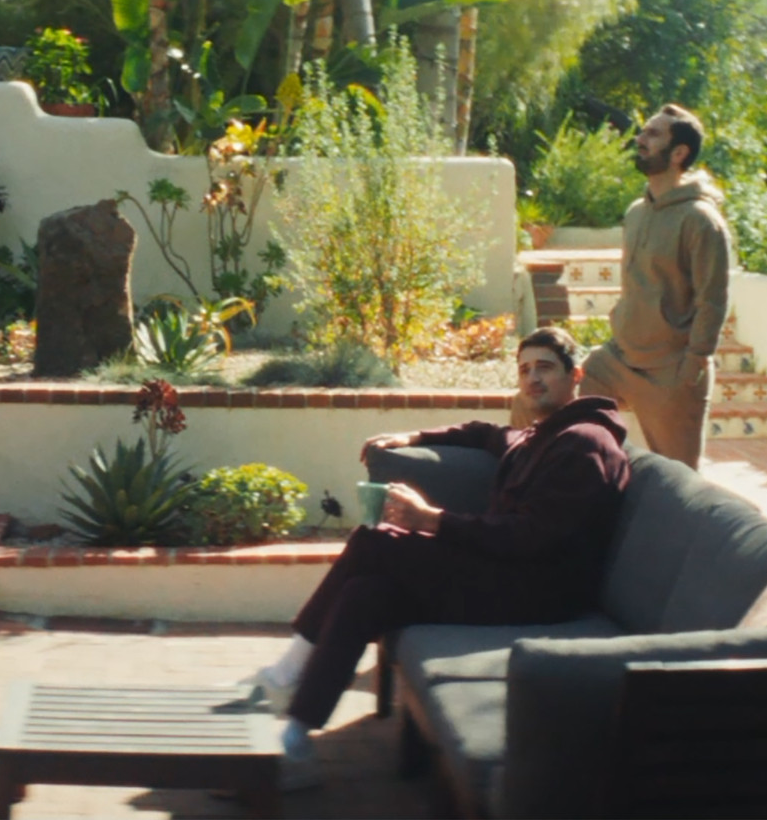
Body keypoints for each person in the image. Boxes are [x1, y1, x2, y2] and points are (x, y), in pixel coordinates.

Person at [245, 327, 630, 790]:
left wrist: (433, 520)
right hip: (505, 574)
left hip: (538, 593)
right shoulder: (542, 436)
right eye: (525, 369)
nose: (532, 379)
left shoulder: (585, 444)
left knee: (375, 541)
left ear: (576, 376)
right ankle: (297, 739)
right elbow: (484, 433)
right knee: (366, 593)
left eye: (545, 368)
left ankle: (287, 674)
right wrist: (414, 436)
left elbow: (533, 536)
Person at [579, 103, 732, 467]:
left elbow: (712, 300)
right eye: (643, 131)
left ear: (678, 153)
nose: (640, 139)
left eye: (653, 134)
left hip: (671, 372)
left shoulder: (701, 220)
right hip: (619, 360)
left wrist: (692, 366)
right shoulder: (636, 212)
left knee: (679, 481)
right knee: (567, 423)